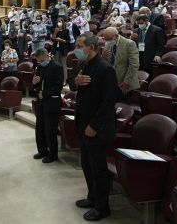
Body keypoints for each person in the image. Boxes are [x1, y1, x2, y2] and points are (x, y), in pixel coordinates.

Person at [69, 33, 118, 221]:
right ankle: (92, 197)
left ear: (91, 47)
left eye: (80, 45)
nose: (77, 48)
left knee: (98, 168)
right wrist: (75, 82)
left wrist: (94, 126)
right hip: (83, 123)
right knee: (87, 165)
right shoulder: (84, 65)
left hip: (97, 127)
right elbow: (74, 87)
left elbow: (108, 102)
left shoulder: (105, 69)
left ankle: (102, 206)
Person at [32, 48, 63, 163]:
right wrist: (35, 83)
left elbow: (58, 87)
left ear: (46, 56)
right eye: (38, 61)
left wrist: (44, 93)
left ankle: (52, 154)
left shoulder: (57, 67)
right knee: (40, 127)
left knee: (50, 129)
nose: (40, 63)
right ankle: (42, 150)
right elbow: (37, 84)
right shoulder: (40, 67)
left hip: (52, 101)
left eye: (41, 60)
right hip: (41, 101)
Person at [102, 27, 139, 103]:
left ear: (116, 36)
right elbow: (105, 64)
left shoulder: (129, 44)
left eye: (108, 39)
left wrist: (126, 83)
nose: (107, 41)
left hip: (124, 83)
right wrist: (103, 57)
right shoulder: (107, 44)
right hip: (111, 82)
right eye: (105, 39)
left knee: (122, 107)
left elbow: (134, 65)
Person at [51, 17, 70, 82]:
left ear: (63, 23)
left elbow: (68, 41)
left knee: (63, 65)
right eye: (58, 21)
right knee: (56, 64)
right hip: (56, 49)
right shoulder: (55, 29)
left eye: (60, 21)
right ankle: (57, 79)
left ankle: (64, 80)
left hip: (63, 50)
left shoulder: (66, 31)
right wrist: (56, 32)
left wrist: (61, 40)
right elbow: (53, 39)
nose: (59, 23)